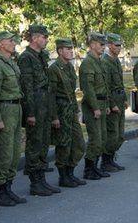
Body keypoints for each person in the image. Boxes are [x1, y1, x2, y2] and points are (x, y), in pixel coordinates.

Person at [19, 24, 60, 196]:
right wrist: (30, 112)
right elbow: (27, 87)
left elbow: (47, 85)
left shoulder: (41, 56)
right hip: (35, 103)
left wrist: (52, 113)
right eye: (44, 37)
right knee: (35, 143)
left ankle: (42, 179)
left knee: (43, 142)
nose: (46, 40)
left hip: (44, 102)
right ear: (35, 38)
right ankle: (35, 182)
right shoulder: (26, 57)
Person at [0, 31, 26, 206]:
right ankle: (0, 192)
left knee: (15, 151)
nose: (13, 43)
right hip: (5, 108)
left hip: (15, 108)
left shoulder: (10, 63)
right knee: (4, 151)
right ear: (1, 44)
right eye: (10, 41)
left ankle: (8, 188)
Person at [48, 38, 86, 187]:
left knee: (79, 144)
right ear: (60, 51)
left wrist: (76, 110)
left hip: (70, 110)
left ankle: (70, 172)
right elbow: (50, 95)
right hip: (60, 110)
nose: (71, 51)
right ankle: (63, 176)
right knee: (63, 144)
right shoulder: (54, 69)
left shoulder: (69, 67)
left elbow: (71, 92)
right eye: (67, 49)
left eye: (71, 49)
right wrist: (54, 117)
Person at [79, 32, 111, 179]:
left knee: (103, 138)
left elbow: (104, 86)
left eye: (104, 44)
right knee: (96, 139)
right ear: (92, 45)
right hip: (94, 105)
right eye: (101, 44)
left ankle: (95, 167)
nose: (103, 47)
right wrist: (95, 107)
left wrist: (107, 105)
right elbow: (88, 88)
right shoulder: (88, 63)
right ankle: (88, 169)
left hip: (102, 103)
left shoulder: (99, 61)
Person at [101, 32, 127, 172]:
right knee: (113, 134)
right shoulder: (105, 62)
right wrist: (112, 104)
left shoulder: (116, 60)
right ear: (109, 45)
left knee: (120, 135)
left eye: (120, 45)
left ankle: (110, 159)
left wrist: (124, 100)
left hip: (119, 98)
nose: (119, 48)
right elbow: (106, 86)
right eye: (116, 45)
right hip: (112, 101)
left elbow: (119, 83)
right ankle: (106, 161)